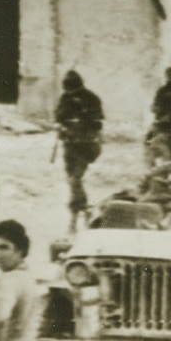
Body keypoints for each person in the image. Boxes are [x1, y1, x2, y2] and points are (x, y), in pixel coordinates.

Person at [55, 71, 104, 234]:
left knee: (75, 179)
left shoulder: (91, 98)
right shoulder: (65, 98)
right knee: (72, 180)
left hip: (86, 146)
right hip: (70, 145)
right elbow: (58, 117)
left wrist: (82, 112)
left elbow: (98, 123)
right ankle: (84, 208)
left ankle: (74, 217)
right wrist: (65, 124)